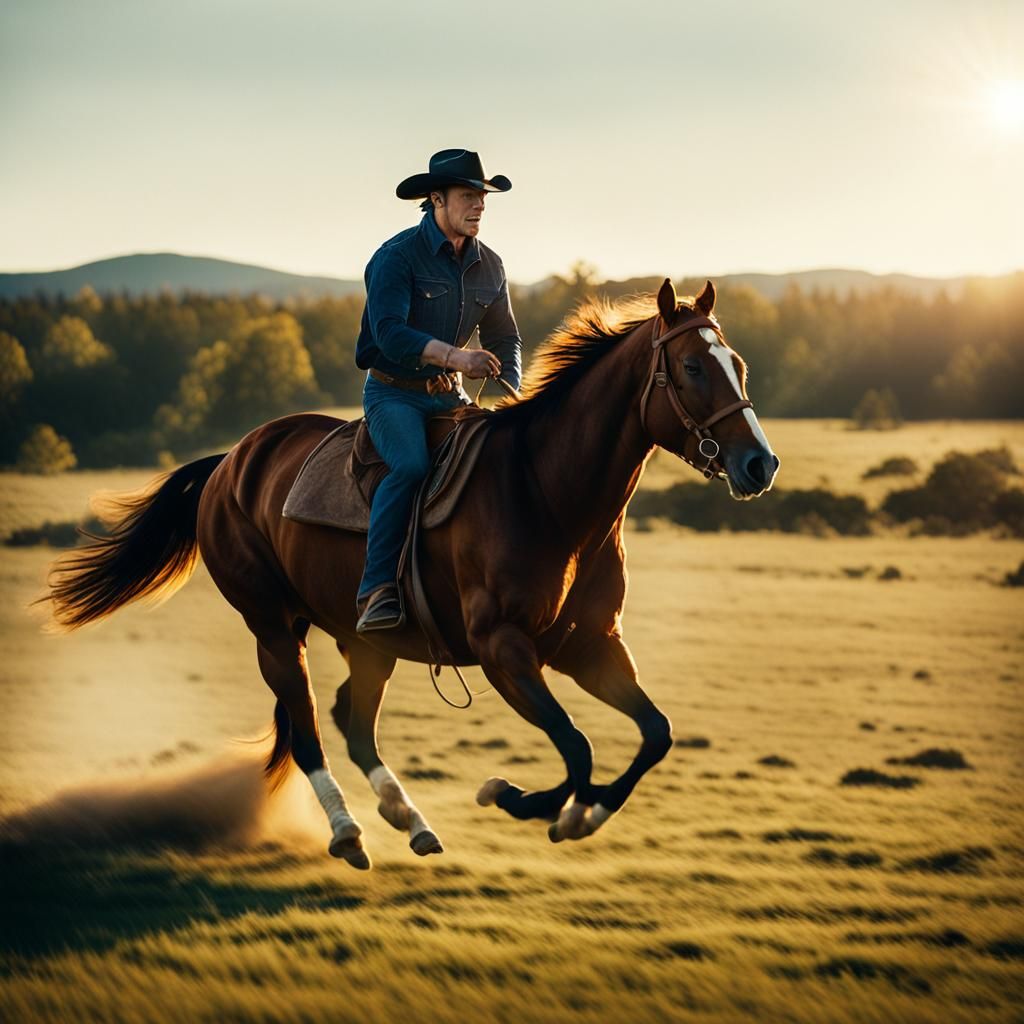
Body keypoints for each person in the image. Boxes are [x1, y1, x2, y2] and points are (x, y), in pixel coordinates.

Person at [353, 149, 523, 633]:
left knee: (501, 460)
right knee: (410, 467)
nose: (479, 207)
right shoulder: (395, 258)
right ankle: (377, 590)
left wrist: (511, 388)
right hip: (393, 393)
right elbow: (387, 333)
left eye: (483, 199)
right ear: (436, 199)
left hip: (448, 394)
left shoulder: (490, 266)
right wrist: (456, 357)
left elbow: (504, 337)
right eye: (469, 197)